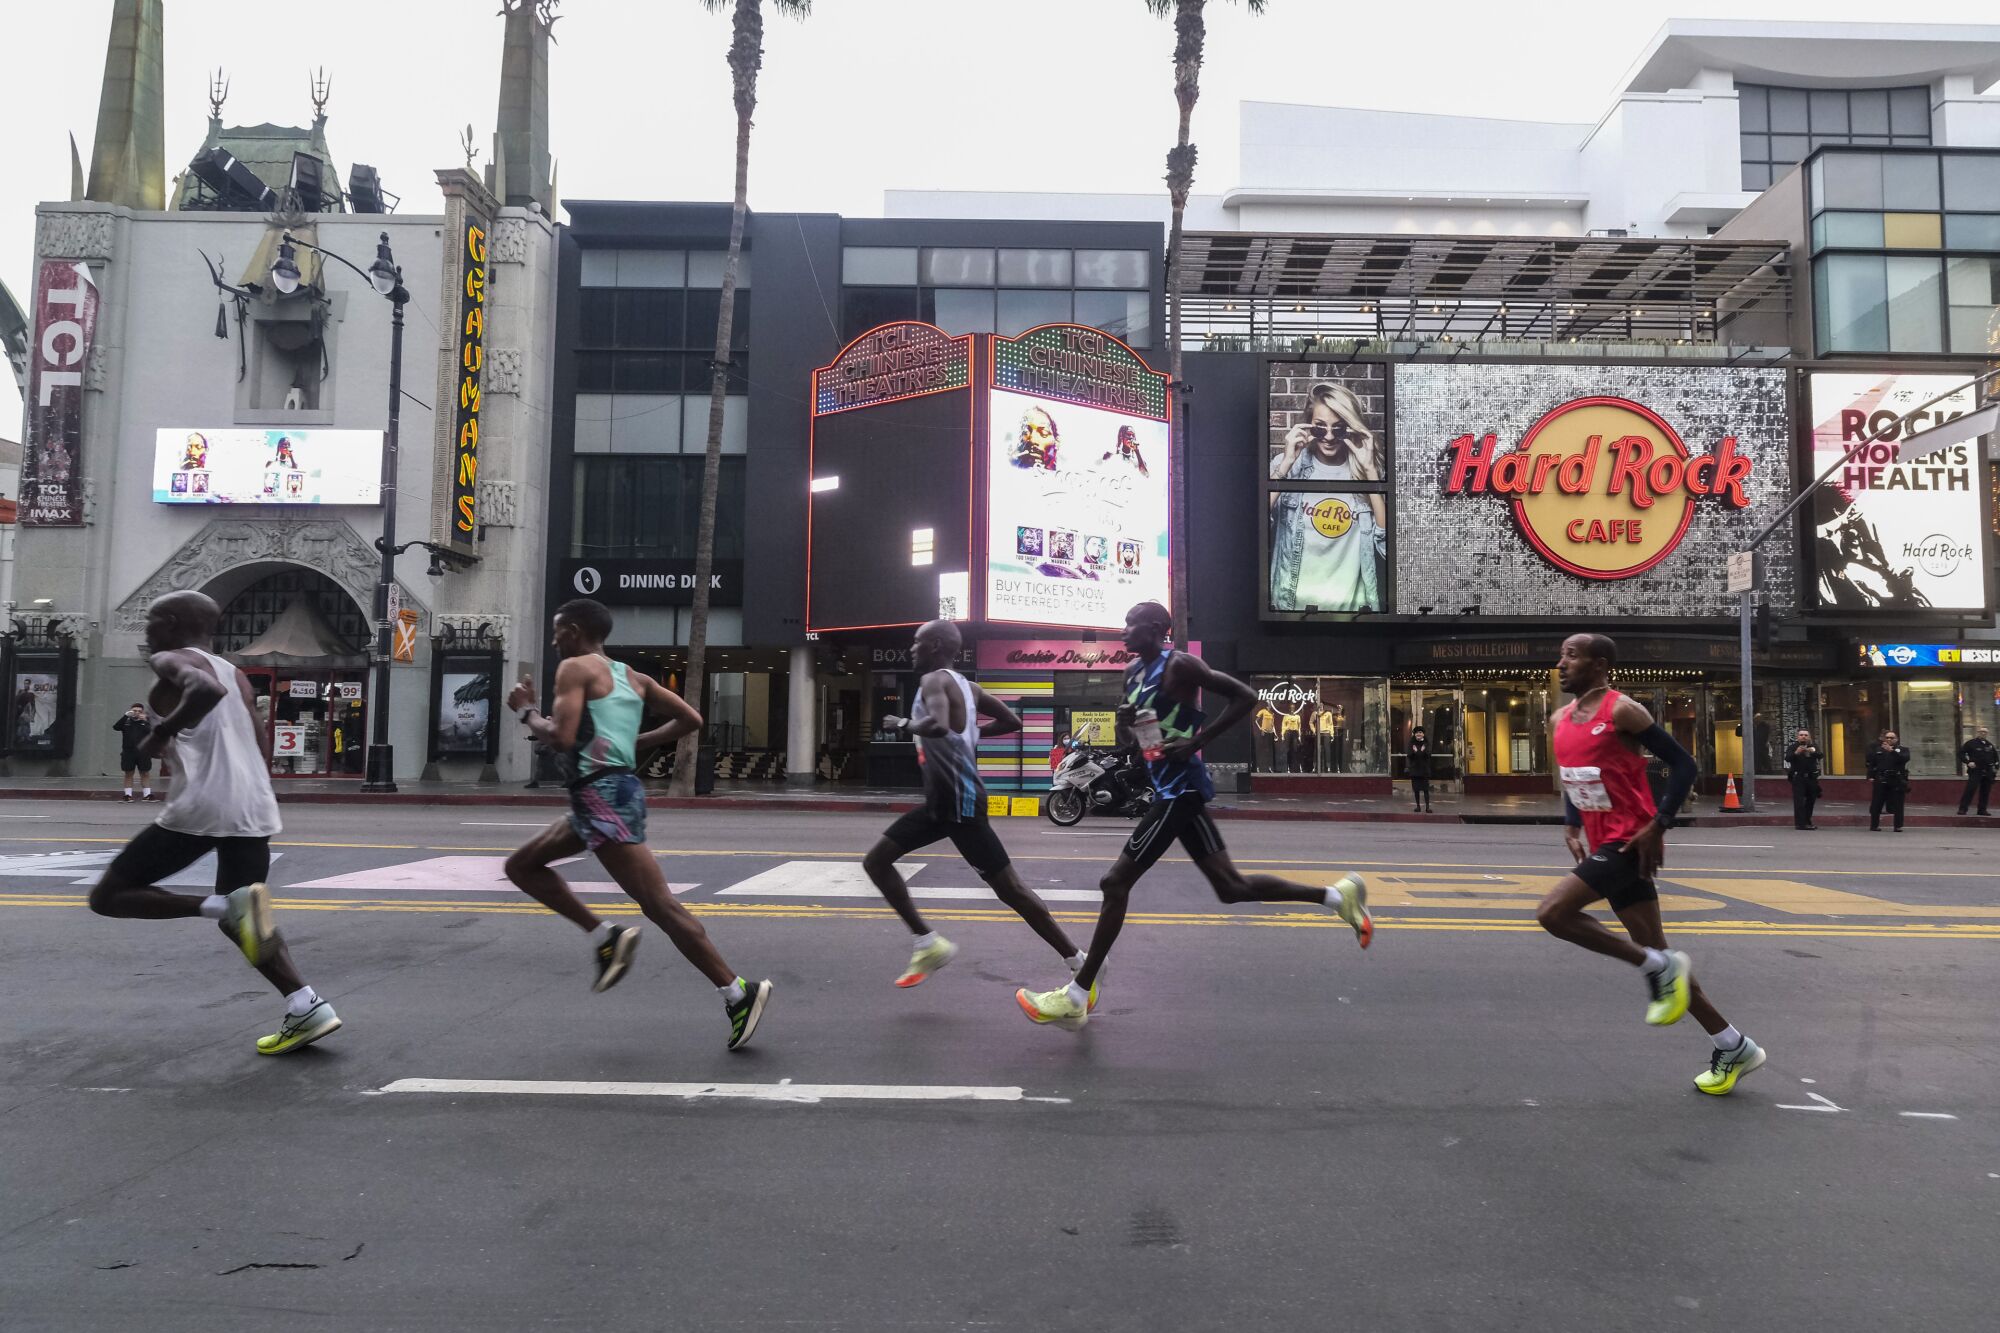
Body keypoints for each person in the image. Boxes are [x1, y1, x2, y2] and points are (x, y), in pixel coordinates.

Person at [1015, 602, 1372, 1031]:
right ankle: (1337, 897)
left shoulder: (1182, 666)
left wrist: (1197, 741)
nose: (1124, 631)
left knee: (1115, 882)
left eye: (1133, 625)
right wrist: (1129, 726)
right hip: (1165, 786)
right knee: (1231, 887)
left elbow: (1246, 697)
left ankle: (1078, 993)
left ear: (1157, 629)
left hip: (1180, 789)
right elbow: (1143, 737)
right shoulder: (1131, 673)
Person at [504, 598, 772, 1050]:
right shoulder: (635, 677)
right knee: (521, 866)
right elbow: (692, 719)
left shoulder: (574, 669)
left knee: (660, 905)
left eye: (556, 631)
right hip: (607, 792)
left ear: (572, 629)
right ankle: (605, 936)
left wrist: (527, 712)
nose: (554, 641)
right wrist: (635, 740)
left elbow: (563, 737)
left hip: (600, 795)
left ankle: (737, 991)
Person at [87, 591, 340, 1056]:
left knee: (109, 896)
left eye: (150, 621)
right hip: (253, 805)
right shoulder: (238, 673)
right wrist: (251, 784)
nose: (146, 630)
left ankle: (219, 906)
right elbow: (259, 734)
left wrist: (159, 735)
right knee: (248, 922)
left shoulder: (170, 659)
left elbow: (204, 692)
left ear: (170, 621)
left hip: (203, 805)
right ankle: (306, 1004)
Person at [1536, 632, 1765, 1095]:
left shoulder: (1622, 710)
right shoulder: (1560, 717)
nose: (1561, 664)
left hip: (1630, 840)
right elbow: (1577, 778)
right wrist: (1570, 824)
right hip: (1603, 840)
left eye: (1572, 656)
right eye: (1561, 655)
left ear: (1599, 665)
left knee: (1553, 914)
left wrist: (1660, 823)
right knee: (1667, 962)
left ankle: (1653, 966)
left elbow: (1685, 764)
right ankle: (1733, 1044)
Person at [865, 619, 1091, 991]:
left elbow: (941, 727)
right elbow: (1011, 720)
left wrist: (902, 722)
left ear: (936, 645)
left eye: (917, 642)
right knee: (876, 861)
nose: (911, 649)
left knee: (1010, 889)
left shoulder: (933, 681)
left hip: (959, 801)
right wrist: (974, 730)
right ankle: (926, 943)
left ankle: (1079, 961)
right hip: (944, 803)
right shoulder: (969, 687)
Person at [1268, 382, 1388, 613]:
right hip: (1293, 607)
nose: (1330, 437)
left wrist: (1371, 471)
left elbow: (1385, 544)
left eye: (1339, 429)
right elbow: (1255, 529)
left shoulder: (1368, 472)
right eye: (1320, 428)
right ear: (1307, 425)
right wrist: (1285, 464)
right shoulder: (1287, 469)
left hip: (1354, 610)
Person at [1867, 730, 1910, 832]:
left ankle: (1897, 826)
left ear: (1896, 739)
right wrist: (1870, 776)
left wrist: (1892, 751)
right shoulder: (1878, 750)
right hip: (1881, 779)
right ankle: (1874, 825)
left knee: (1898, 804)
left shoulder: (1903, 750)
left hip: (1896, 779)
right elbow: (1872, 764)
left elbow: (1904, 759)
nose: (1889, 739)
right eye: (1887, 738)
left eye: (1892, 738)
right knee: (1877, 803)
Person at [113, 703, 156, 802]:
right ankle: (128, 795)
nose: (137, 713)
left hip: (144, 752)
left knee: (145, 773)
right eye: (134, 711)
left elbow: (152, 732)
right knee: (128, 773)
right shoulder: (126, 721)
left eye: (139, 711)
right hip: (128, 752)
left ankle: (147, 795)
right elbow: (116, 727)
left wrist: (145, 721)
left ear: (142, 712)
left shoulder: (146, 722)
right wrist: (125, 716)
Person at [1784, 729, 1822, 831]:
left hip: (1811, 777)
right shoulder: (1793, 747)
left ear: (1809, 737)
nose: (1803, 737)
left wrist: (1812, 751)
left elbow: (1820, 755)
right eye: (1801, 735)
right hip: (1798, 777)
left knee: (1811, 800)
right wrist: (1796, 753)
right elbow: (1787, 758)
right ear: (1798, 737)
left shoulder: (1813, 746)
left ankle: (1807, 821)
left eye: (1806, 735)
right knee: (1799, 801)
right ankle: (1800, 824)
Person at [1956, 726, 1995, 817]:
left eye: (1985, 732)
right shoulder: (1971, 743)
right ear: (1978, 732)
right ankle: (1963, 809)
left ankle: (1982, 810)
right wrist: (1968, 762)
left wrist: (1994, 769)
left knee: (1985, 792)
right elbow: (1961, 753)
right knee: (1970, 790)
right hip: (1976, 770)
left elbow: (1995, 757)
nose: (1983, 733)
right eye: (1981, 732)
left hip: (1987, 771)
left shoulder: (1989, 745)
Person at [1407, 725, 1433, 813]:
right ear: (1415, 734)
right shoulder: (1411, 743)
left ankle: (1427, 807)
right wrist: (1416, 751)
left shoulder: (1426, 743)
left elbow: (1429, 754)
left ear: (1423, 734)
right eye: (1417, 733)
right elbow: (1409, 755)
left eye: (1420, 732)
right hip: (1415, 771)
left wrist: (1423, 751)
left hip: (1424, 770)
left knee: (1426, 789)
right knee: (1416, 790)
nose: (1419, 734)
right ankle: (1418, 806)